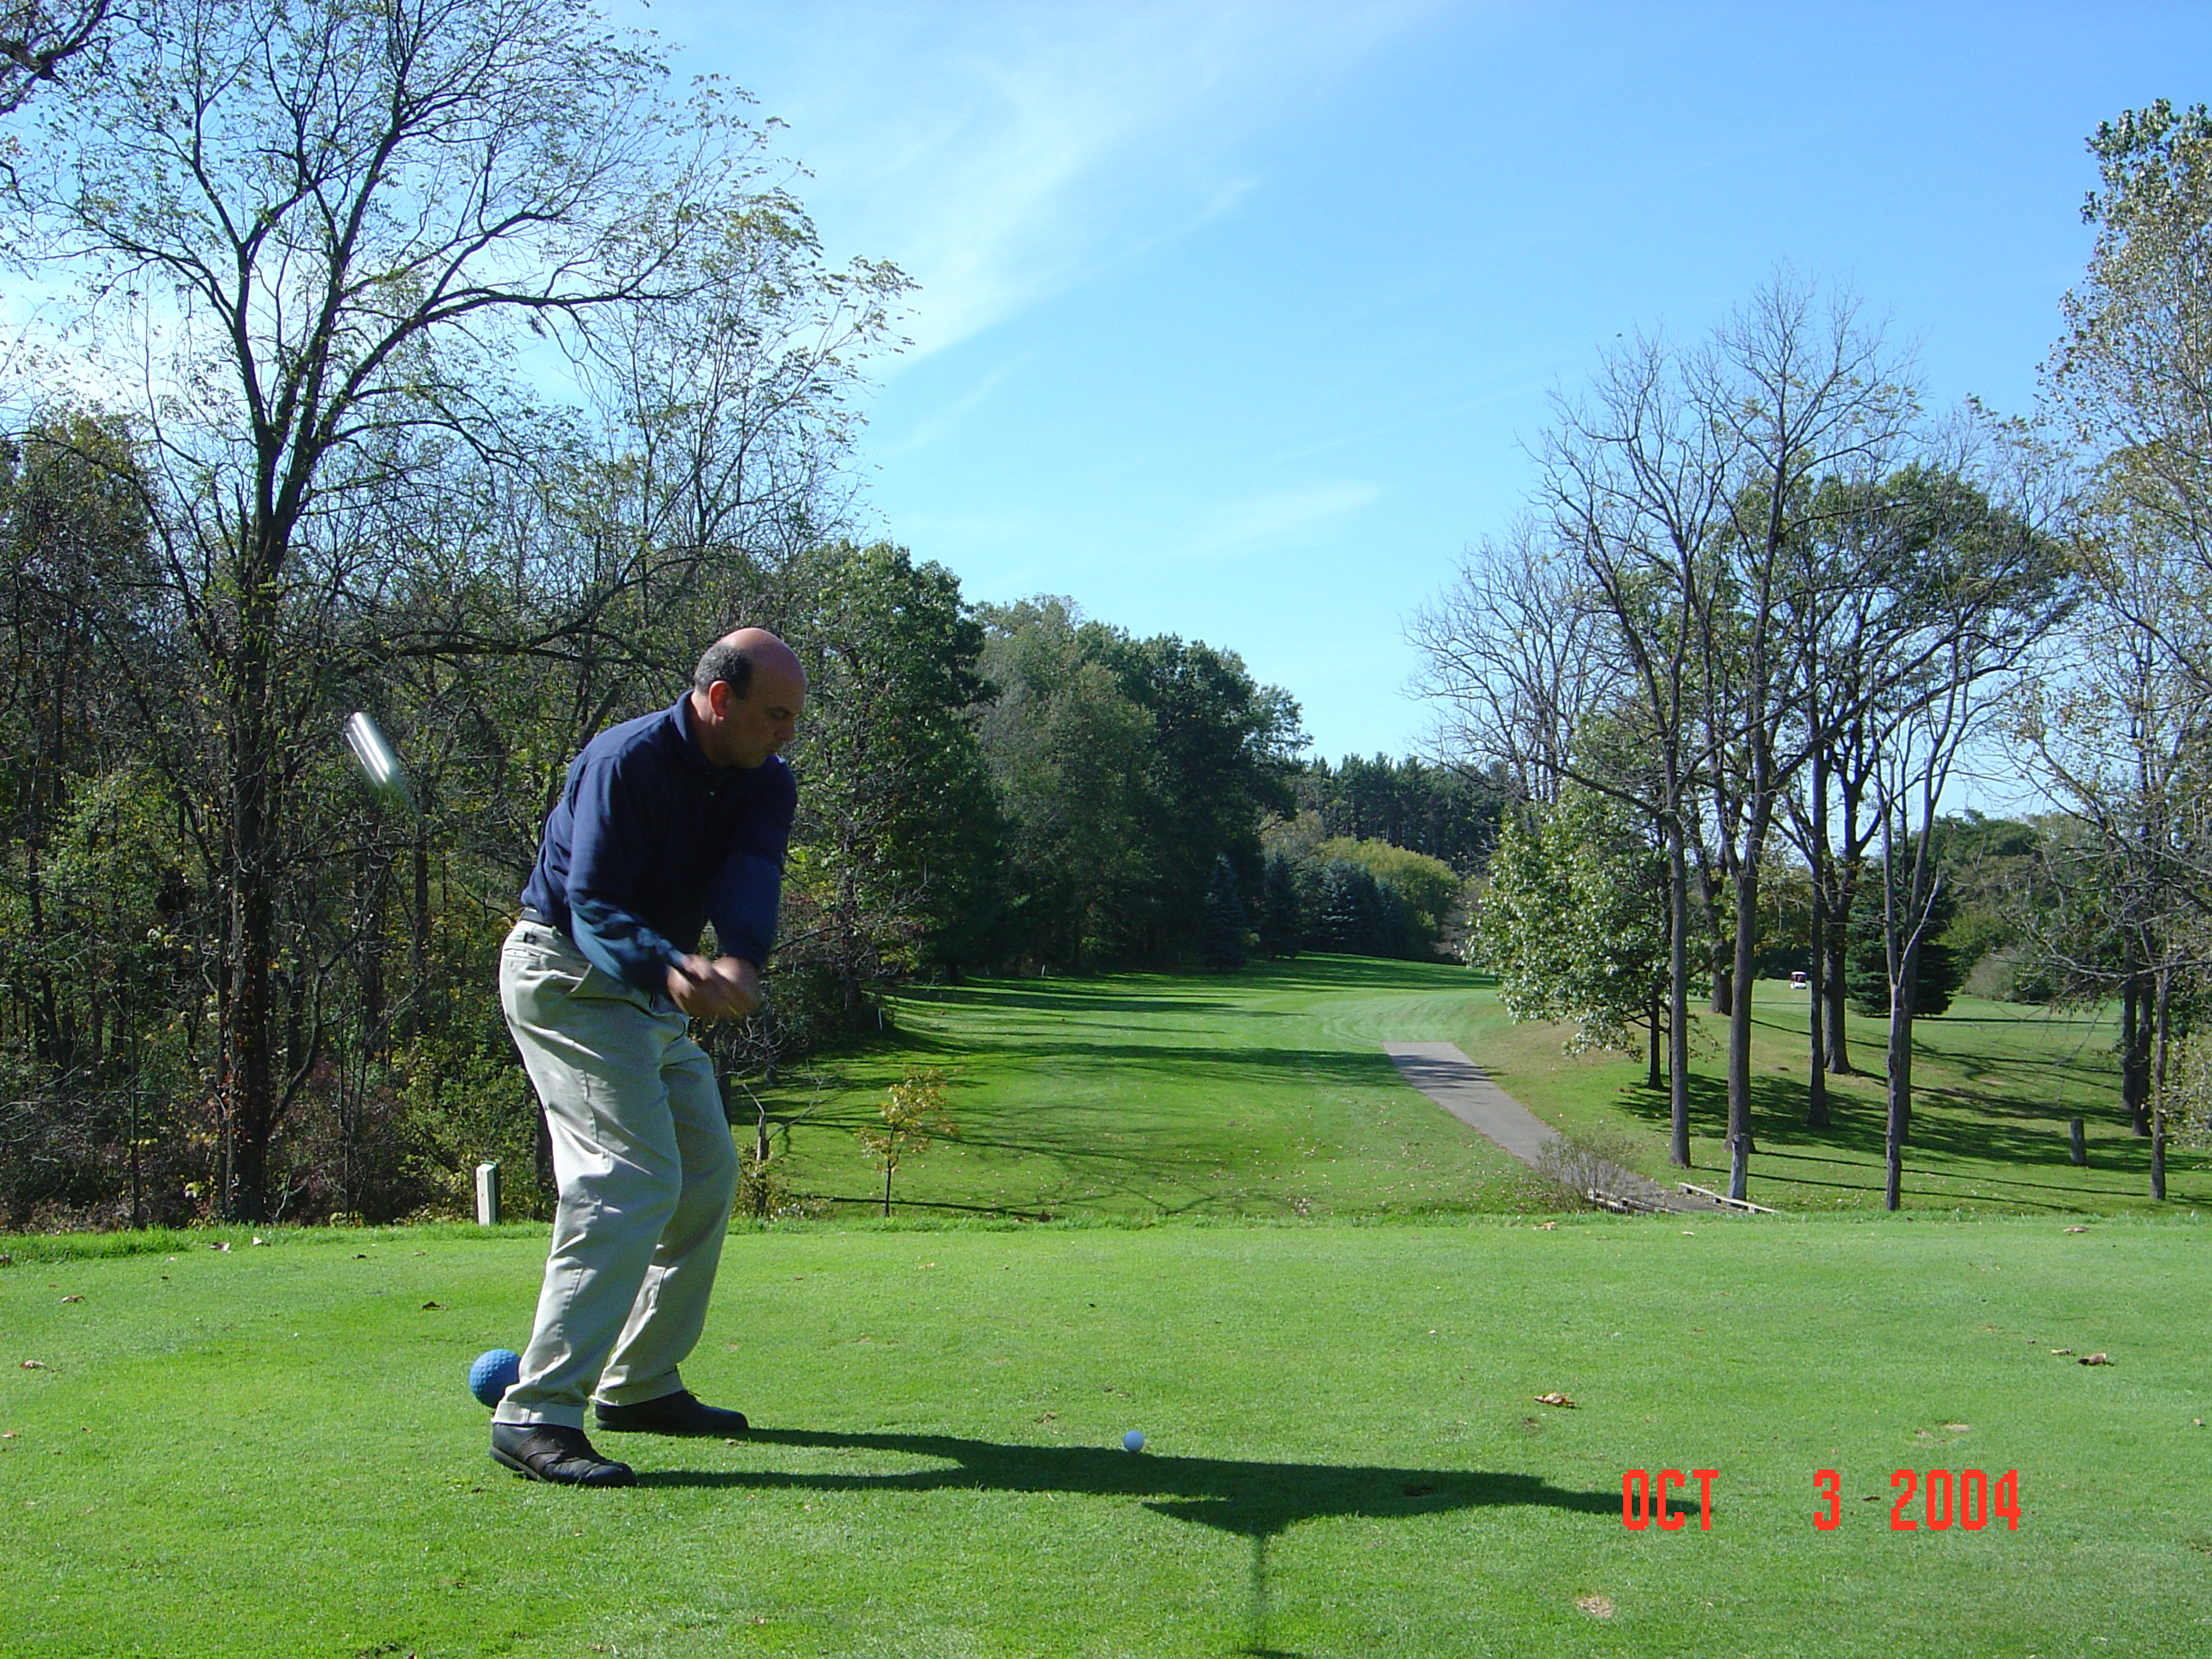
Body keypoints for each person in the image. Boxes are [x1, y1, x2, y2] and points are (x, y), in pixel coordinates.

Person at [487, 628, 806, 1487]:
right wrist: (668, 967)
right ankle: (536, 1411)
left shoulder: (765, 780)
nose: (787, 734)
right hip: (567, 975)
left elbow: (751, 872)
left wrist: (741, 958)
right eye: (775, 715)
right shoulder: (623, 760)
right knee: (628, 1177)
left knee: (704, 1171)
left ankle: (638, 1383)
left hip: (651, 993)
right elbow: (591, 903)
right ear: (719, 699)